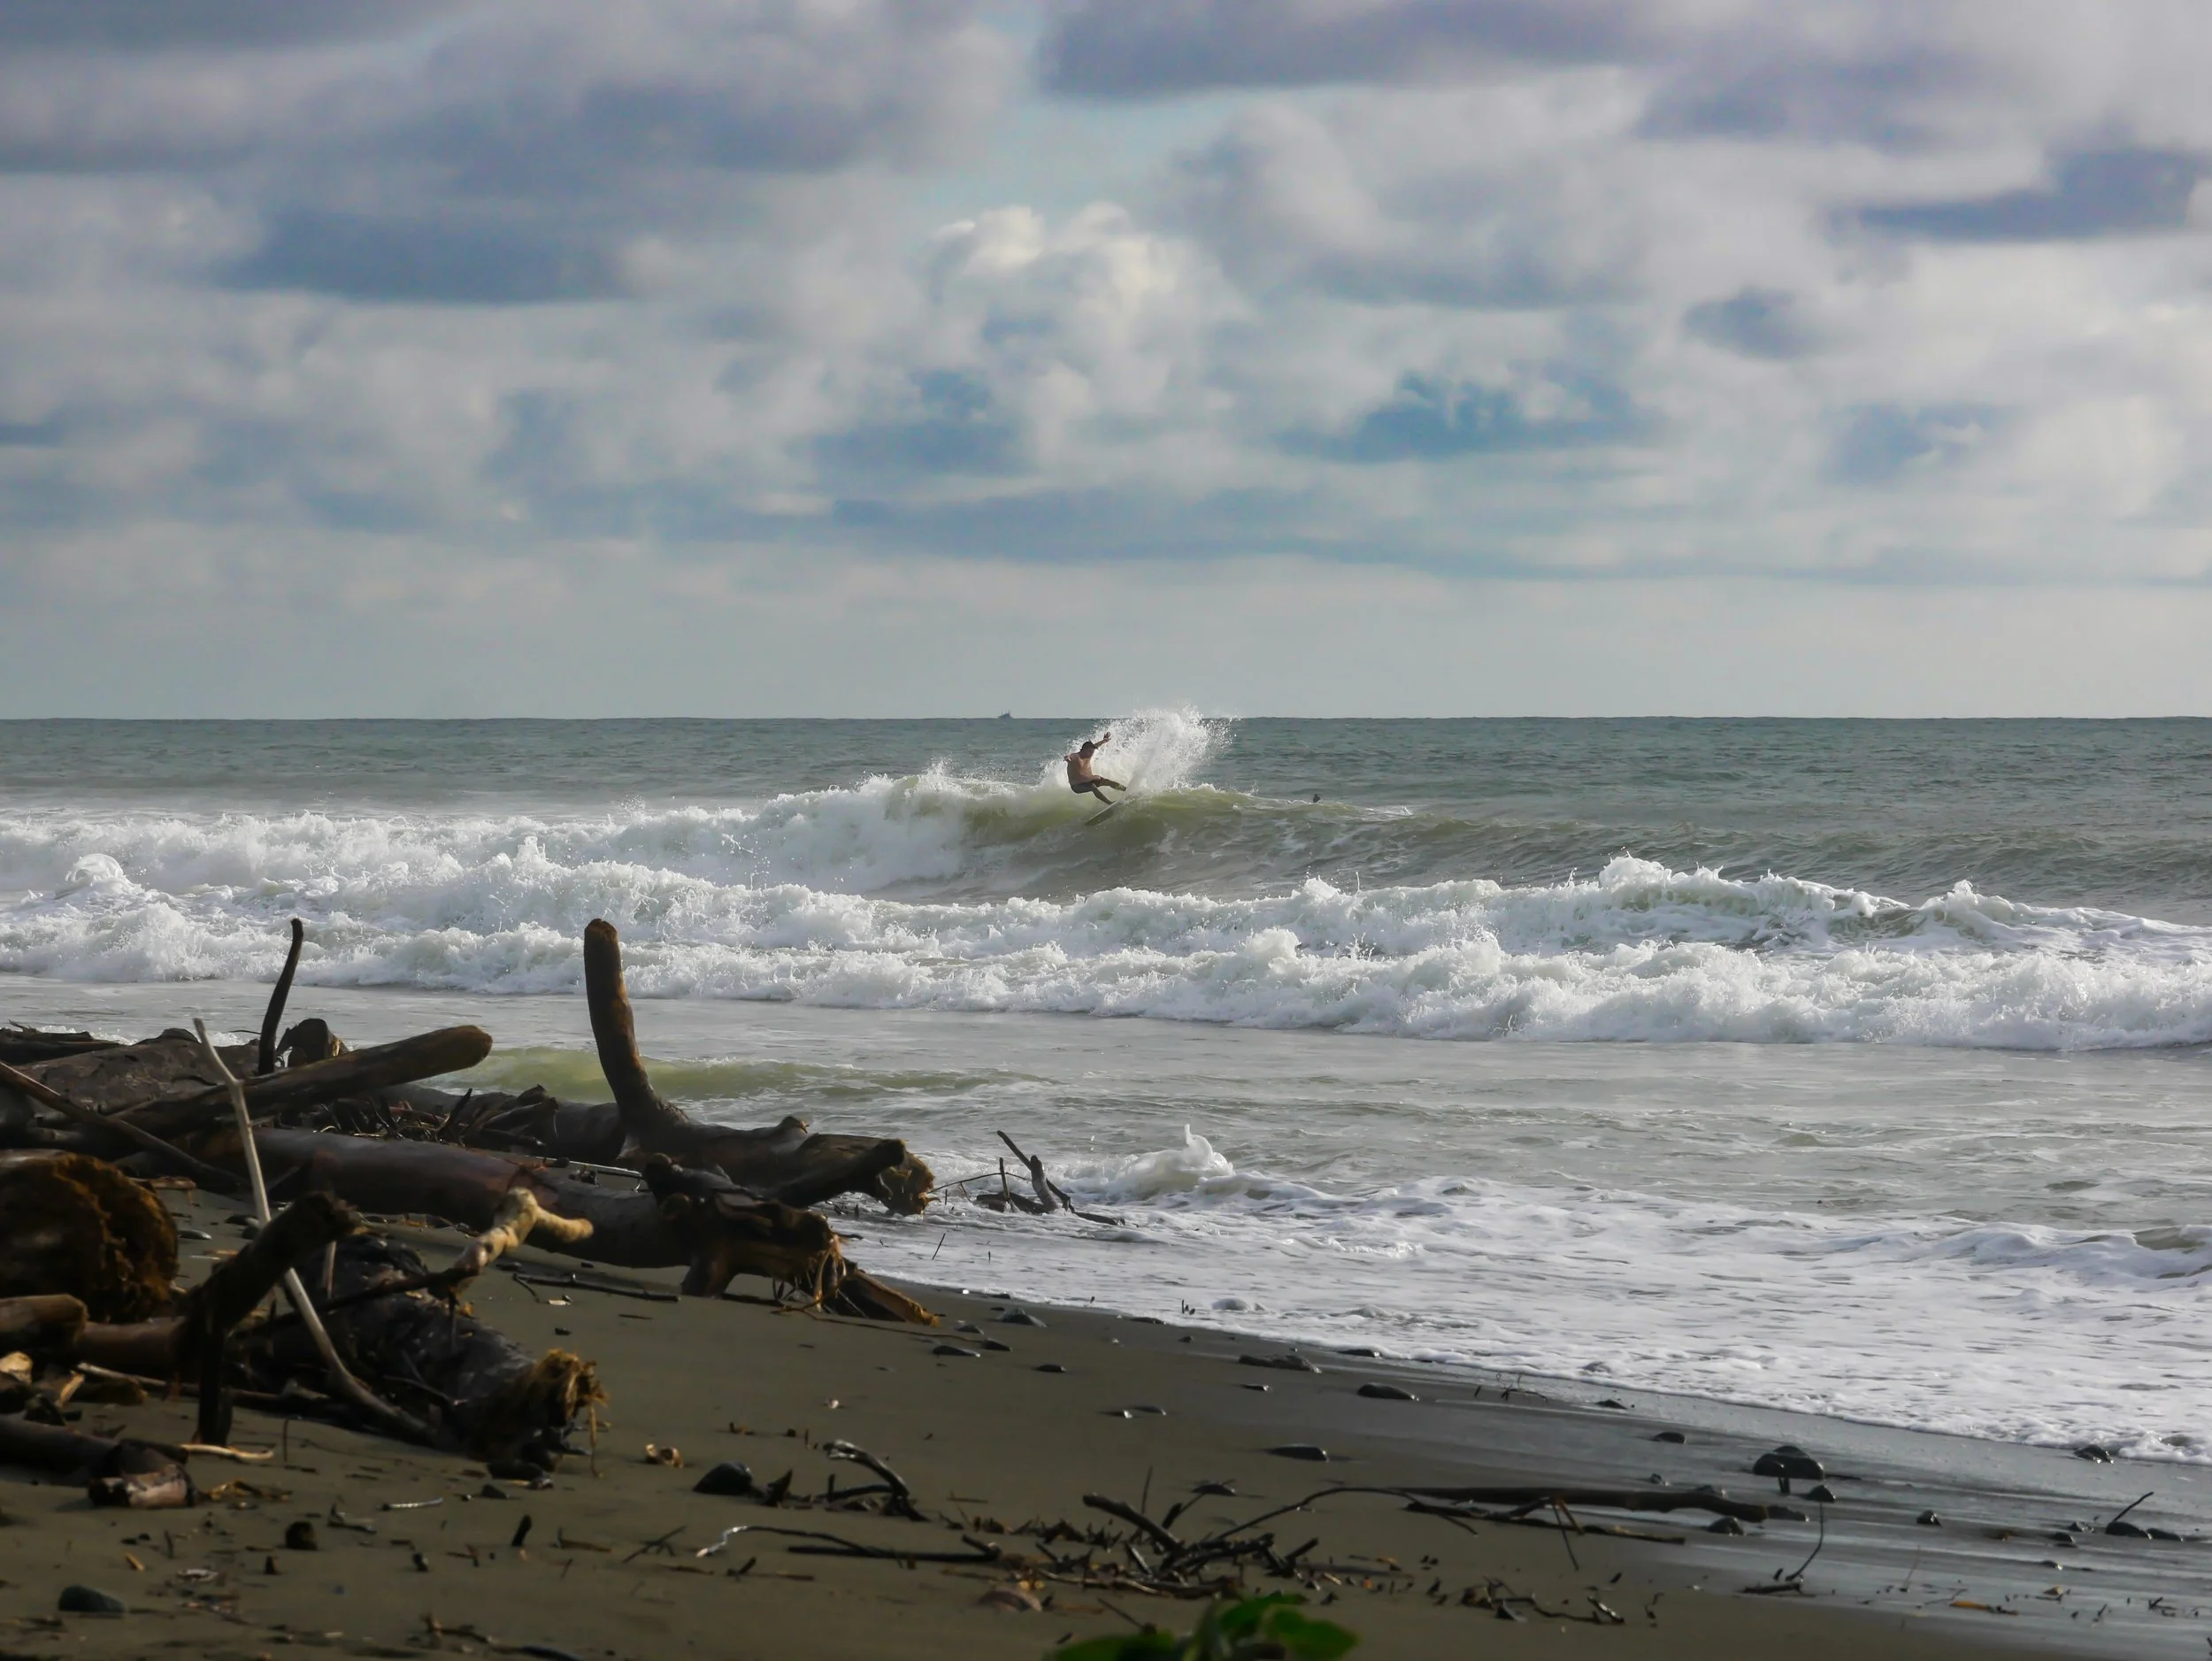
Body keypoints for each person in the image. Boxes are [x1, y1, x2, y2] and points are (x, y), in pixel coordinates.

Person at [1065, 734, 1125, 802]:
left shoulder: (1088, 754)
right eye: (1090, 751)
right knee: (1092, 786)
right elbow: (1069, 756)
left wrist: (1103, 741)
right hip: (1077, 786)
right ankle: (1109, 803)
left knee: (1107, 781)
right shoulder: (1075, 757)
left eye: (1092, 752)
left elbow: (1095, 746)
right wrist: (1067, 758)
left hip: (1089, 780)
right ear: (1084, 750)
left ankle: (1126, 790)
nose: (1091, 753)